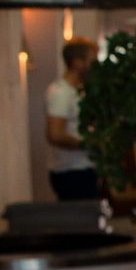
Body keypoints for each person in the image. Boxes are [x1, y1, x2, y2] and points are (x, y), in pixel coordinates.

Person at [44, 36, 99, 201]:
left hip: (85, 169)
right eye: (92, 60)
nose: (95, 66)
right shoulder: (60, 93)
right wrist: (90, 144)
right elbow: (55, 134)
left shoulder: (80, 91)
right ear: (77, 62)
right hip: (71, 172)